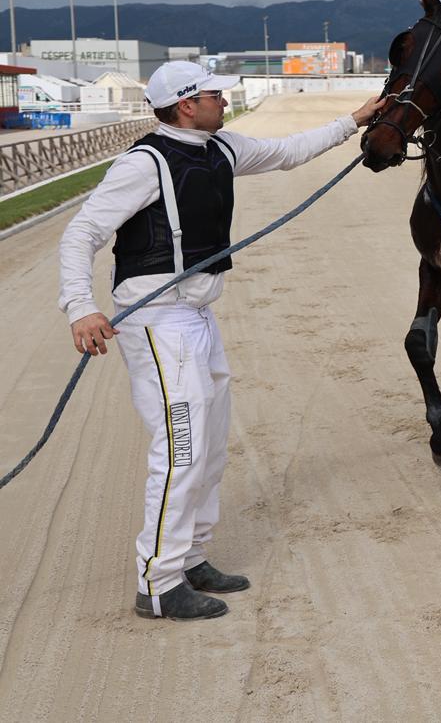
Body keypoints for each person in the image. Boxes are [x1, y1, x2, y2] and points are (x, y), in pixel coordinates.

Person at [58, 61, 380, 621]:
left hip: (198, 316)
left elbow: (288, 151)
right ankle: (158, 584)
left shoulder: (221, 147)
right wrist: (80, 306)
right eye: (214, 95)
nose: (224, 101)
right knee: (180, 448)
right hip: (157, 319)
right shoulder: (144, 163)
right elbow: (81, 232)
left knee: (208, 444)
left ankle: (191, 558)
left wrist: (355, 120)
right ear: (187, 105)